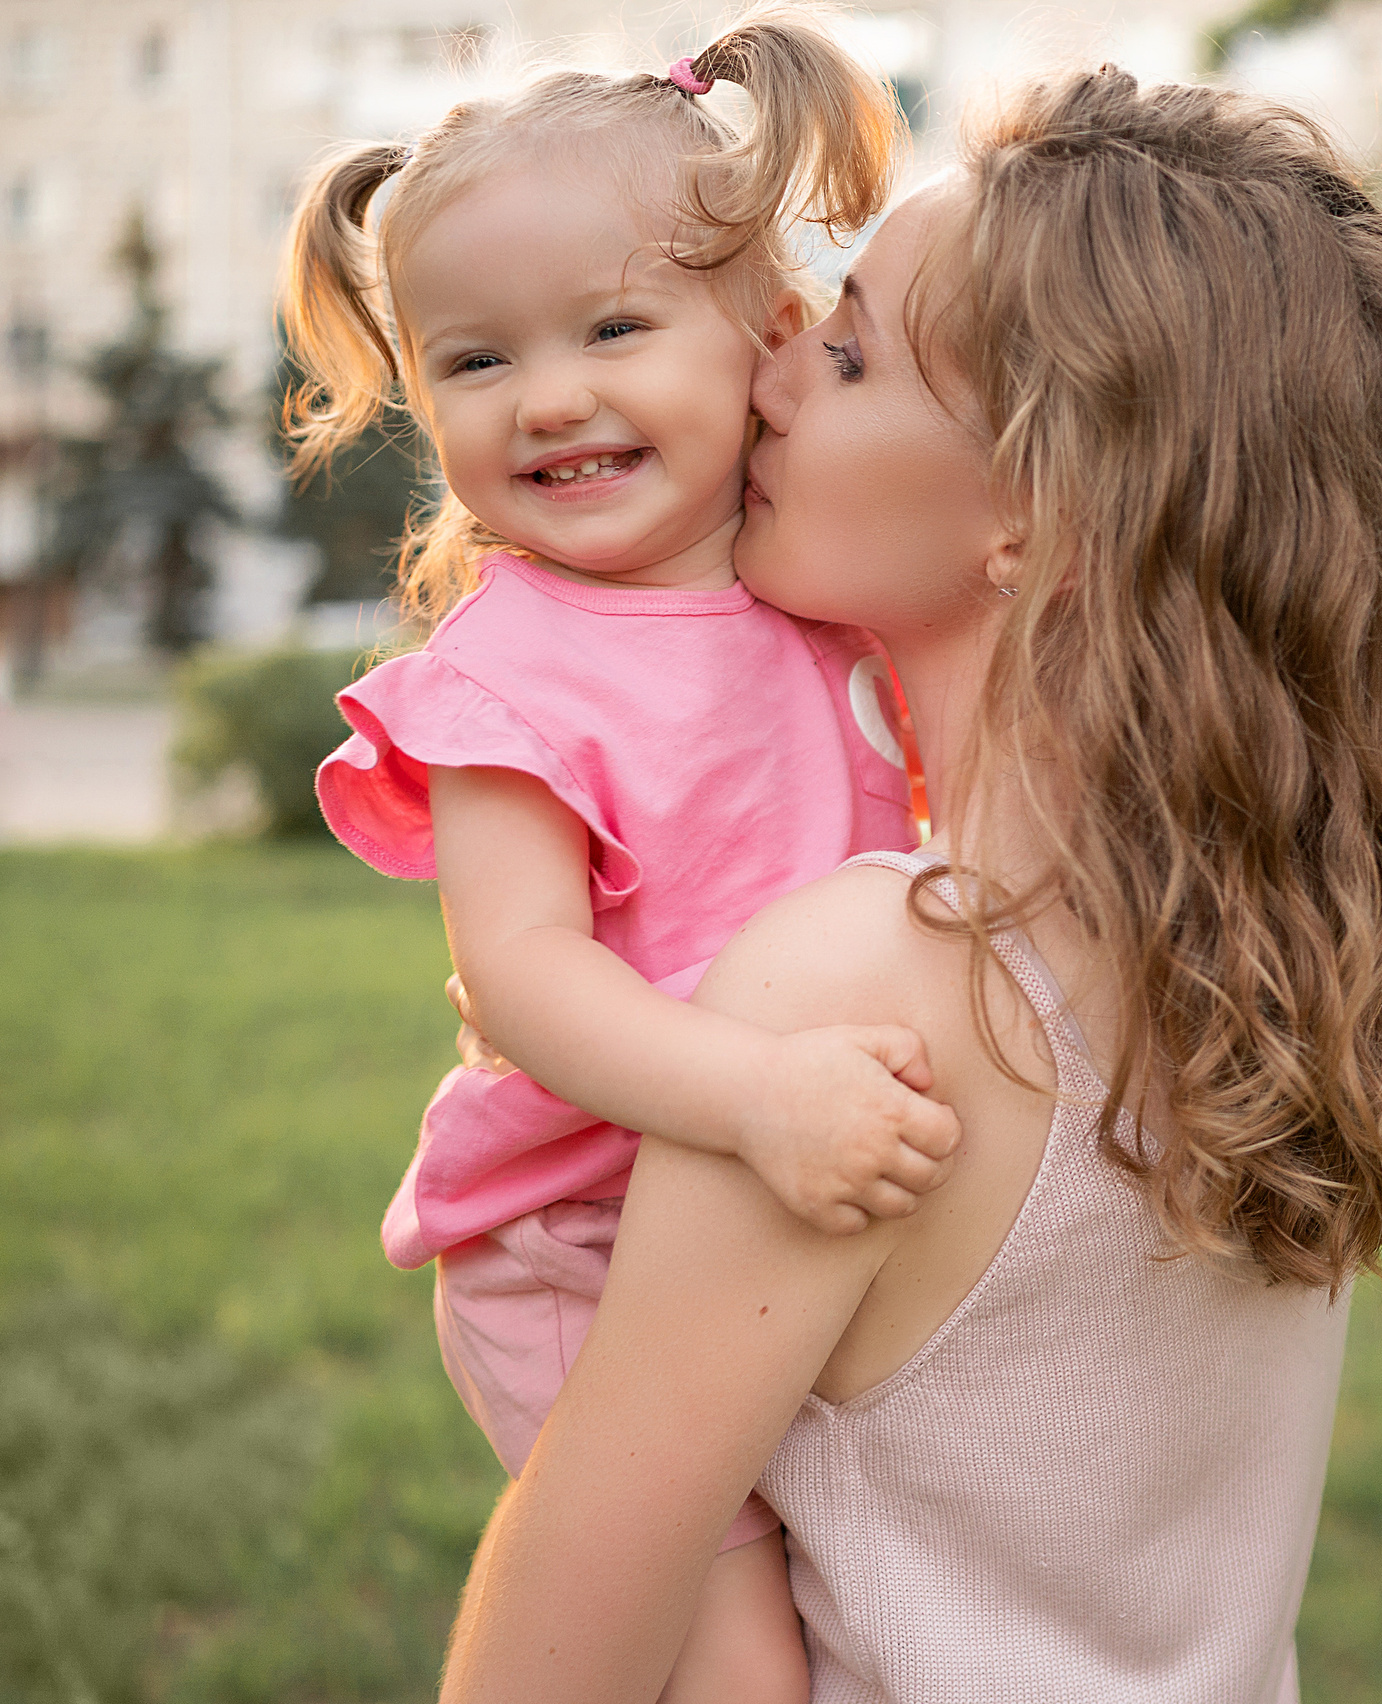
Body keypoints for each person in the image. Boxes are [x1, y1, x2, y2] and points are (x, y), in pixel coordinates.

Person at [435, 67, 1382, 1704]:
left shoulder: (866, 990)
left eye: (843, 354)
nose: (765, 379)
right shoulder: (1265, 946)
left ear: (1038, 511)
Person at [275, 14, 959, 1699]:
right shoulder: (508, 676)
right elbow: (522, 980)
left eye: (616, 327)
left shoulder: (819, 590)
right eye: (477, 361)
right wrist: (757, 1100)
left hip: (776, 1203)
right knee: (737, 1665)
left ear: (770, 340)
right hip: (578, 1240)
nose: (553, 397)